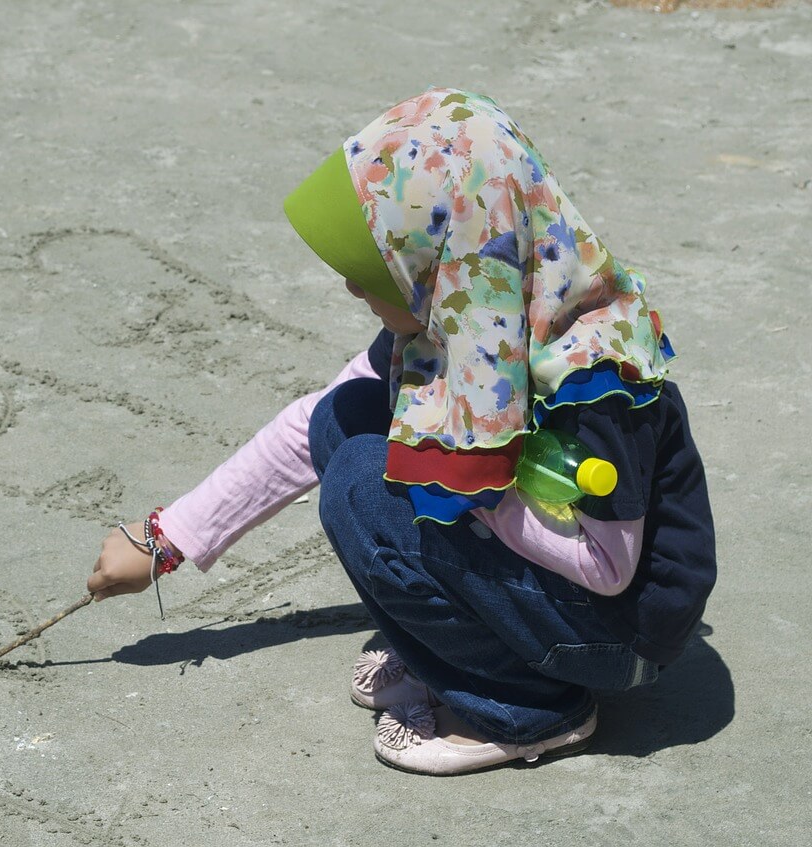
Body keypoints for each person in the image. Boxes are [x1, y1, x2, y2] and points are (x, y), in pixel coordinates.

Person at [86, 88, 716, 775]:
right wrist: (169, 538)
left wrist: (469, 494)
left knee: (361, 487)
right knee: (346, 419)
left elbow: (608, 567)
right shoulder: (468, 312)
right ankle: (466, 642)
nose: (354, 288)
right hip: (550, 583)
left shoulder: (595, 381)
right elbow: (312, 421)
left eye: (374, 272)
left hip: (615, 632)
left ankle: (529, 703)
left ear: (444, 257)